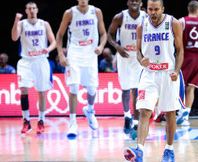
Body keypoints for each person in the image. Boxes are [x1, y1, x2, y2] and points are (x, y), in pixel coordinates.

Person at [123, 0, 184, 161]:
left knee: (170, 113)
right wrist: (141, 59)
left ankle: (169, 150)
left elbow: (180, 50)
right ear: (147, 9)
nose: (153, 12)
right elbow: (137, 51)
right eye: (150, 9)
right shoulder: (141, 26)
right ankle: (139, 151)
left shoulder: (173, 23)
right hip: (149, 74)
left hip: (168, 73)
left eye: (156, 9)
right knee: (144, 111)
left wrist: (177, 71)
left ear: (163, 9)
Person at [56, 0, 107, 137]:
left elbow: (104, 34)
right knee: (74, 87)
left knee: (92, 88)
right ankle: (72, 123)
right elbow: (59, 35)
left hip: (90, 54)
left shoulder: (96, 12)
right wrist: (61, 54)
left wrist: (101, 47)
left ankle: (90, 110)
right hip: (75, 54)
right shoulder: (70, 13)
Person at [11, 1, 56, 134]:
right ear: (26, 11)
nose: (32, 10)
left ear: (37, 10)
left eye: (34, 8)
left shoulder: (44, 24)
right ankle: (26, 121)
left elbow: (54, 42)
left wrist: (47, 49)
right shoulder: (21, 23)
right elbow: (14, 37)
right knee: (24, 90)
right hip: (26, 61)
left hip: (41, 61)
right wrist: (16, 20)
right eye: (29, 9)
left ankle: (41, 121)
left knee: (41, 92)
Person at [108, 0, 146, 138]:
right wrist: (117, 47)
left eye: (137, 0)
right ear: (128, 2)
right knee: (125, 89)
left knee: (136, 90)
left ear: (141, 3)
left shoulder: (145, 17)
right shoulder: (120, 17)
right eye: (132, 0)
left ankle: (136, 123)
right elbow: (109, 34)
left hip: (137, 57)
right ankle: (127, 116)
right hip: (123, 56)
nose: (134, 2)